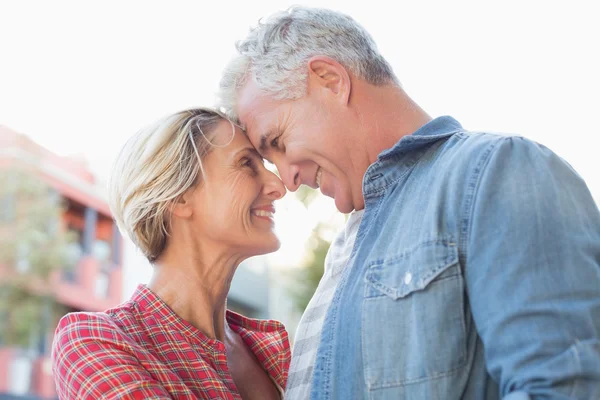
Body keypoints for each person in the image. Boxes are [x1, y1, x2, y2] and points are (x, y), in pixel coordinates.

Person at [218, 7, 600, 399]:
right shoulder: (352, 243)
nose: (287, 179)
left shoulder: (496, 170)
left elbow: (565, 387)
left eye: (278, 142)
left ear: (330, 81)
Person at [51, 108, 289, 399]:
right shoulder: (95, 342)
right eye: (246, 164)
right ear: (179, 196)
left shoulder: (274, 351)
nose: (278, 185)